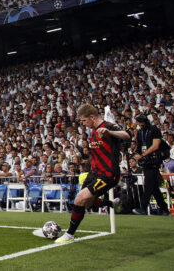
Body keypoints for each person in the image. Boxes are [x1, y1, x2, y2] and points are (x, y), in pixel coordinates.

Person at [56, 104, 130, 243]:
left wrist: (110, 132)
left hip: (108, 174)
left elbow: (126, 135)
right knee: (87, 204)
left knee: (79, 199)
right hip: (94, 173)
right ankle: (111, 203)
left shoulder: (107, 126)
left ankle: (69, 235)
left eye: (84, 121)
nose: (83, 124)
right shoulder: (94, 131)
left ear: (92, 117)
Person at [131, 114, 170, 215]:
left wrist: (143, 155)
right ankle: (165, 209)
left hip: (154, 159)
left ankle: (143, 207)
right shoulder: (140, 132)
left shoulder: (154, 130)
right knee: (153, 187)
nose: (141, 126)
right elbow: (139, 147)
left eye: (142, 125)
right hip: (146, 161)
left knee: (148, 184)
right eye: (140, 125)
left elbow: (156, 145)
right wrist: (136, 154)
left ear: (146, 122)